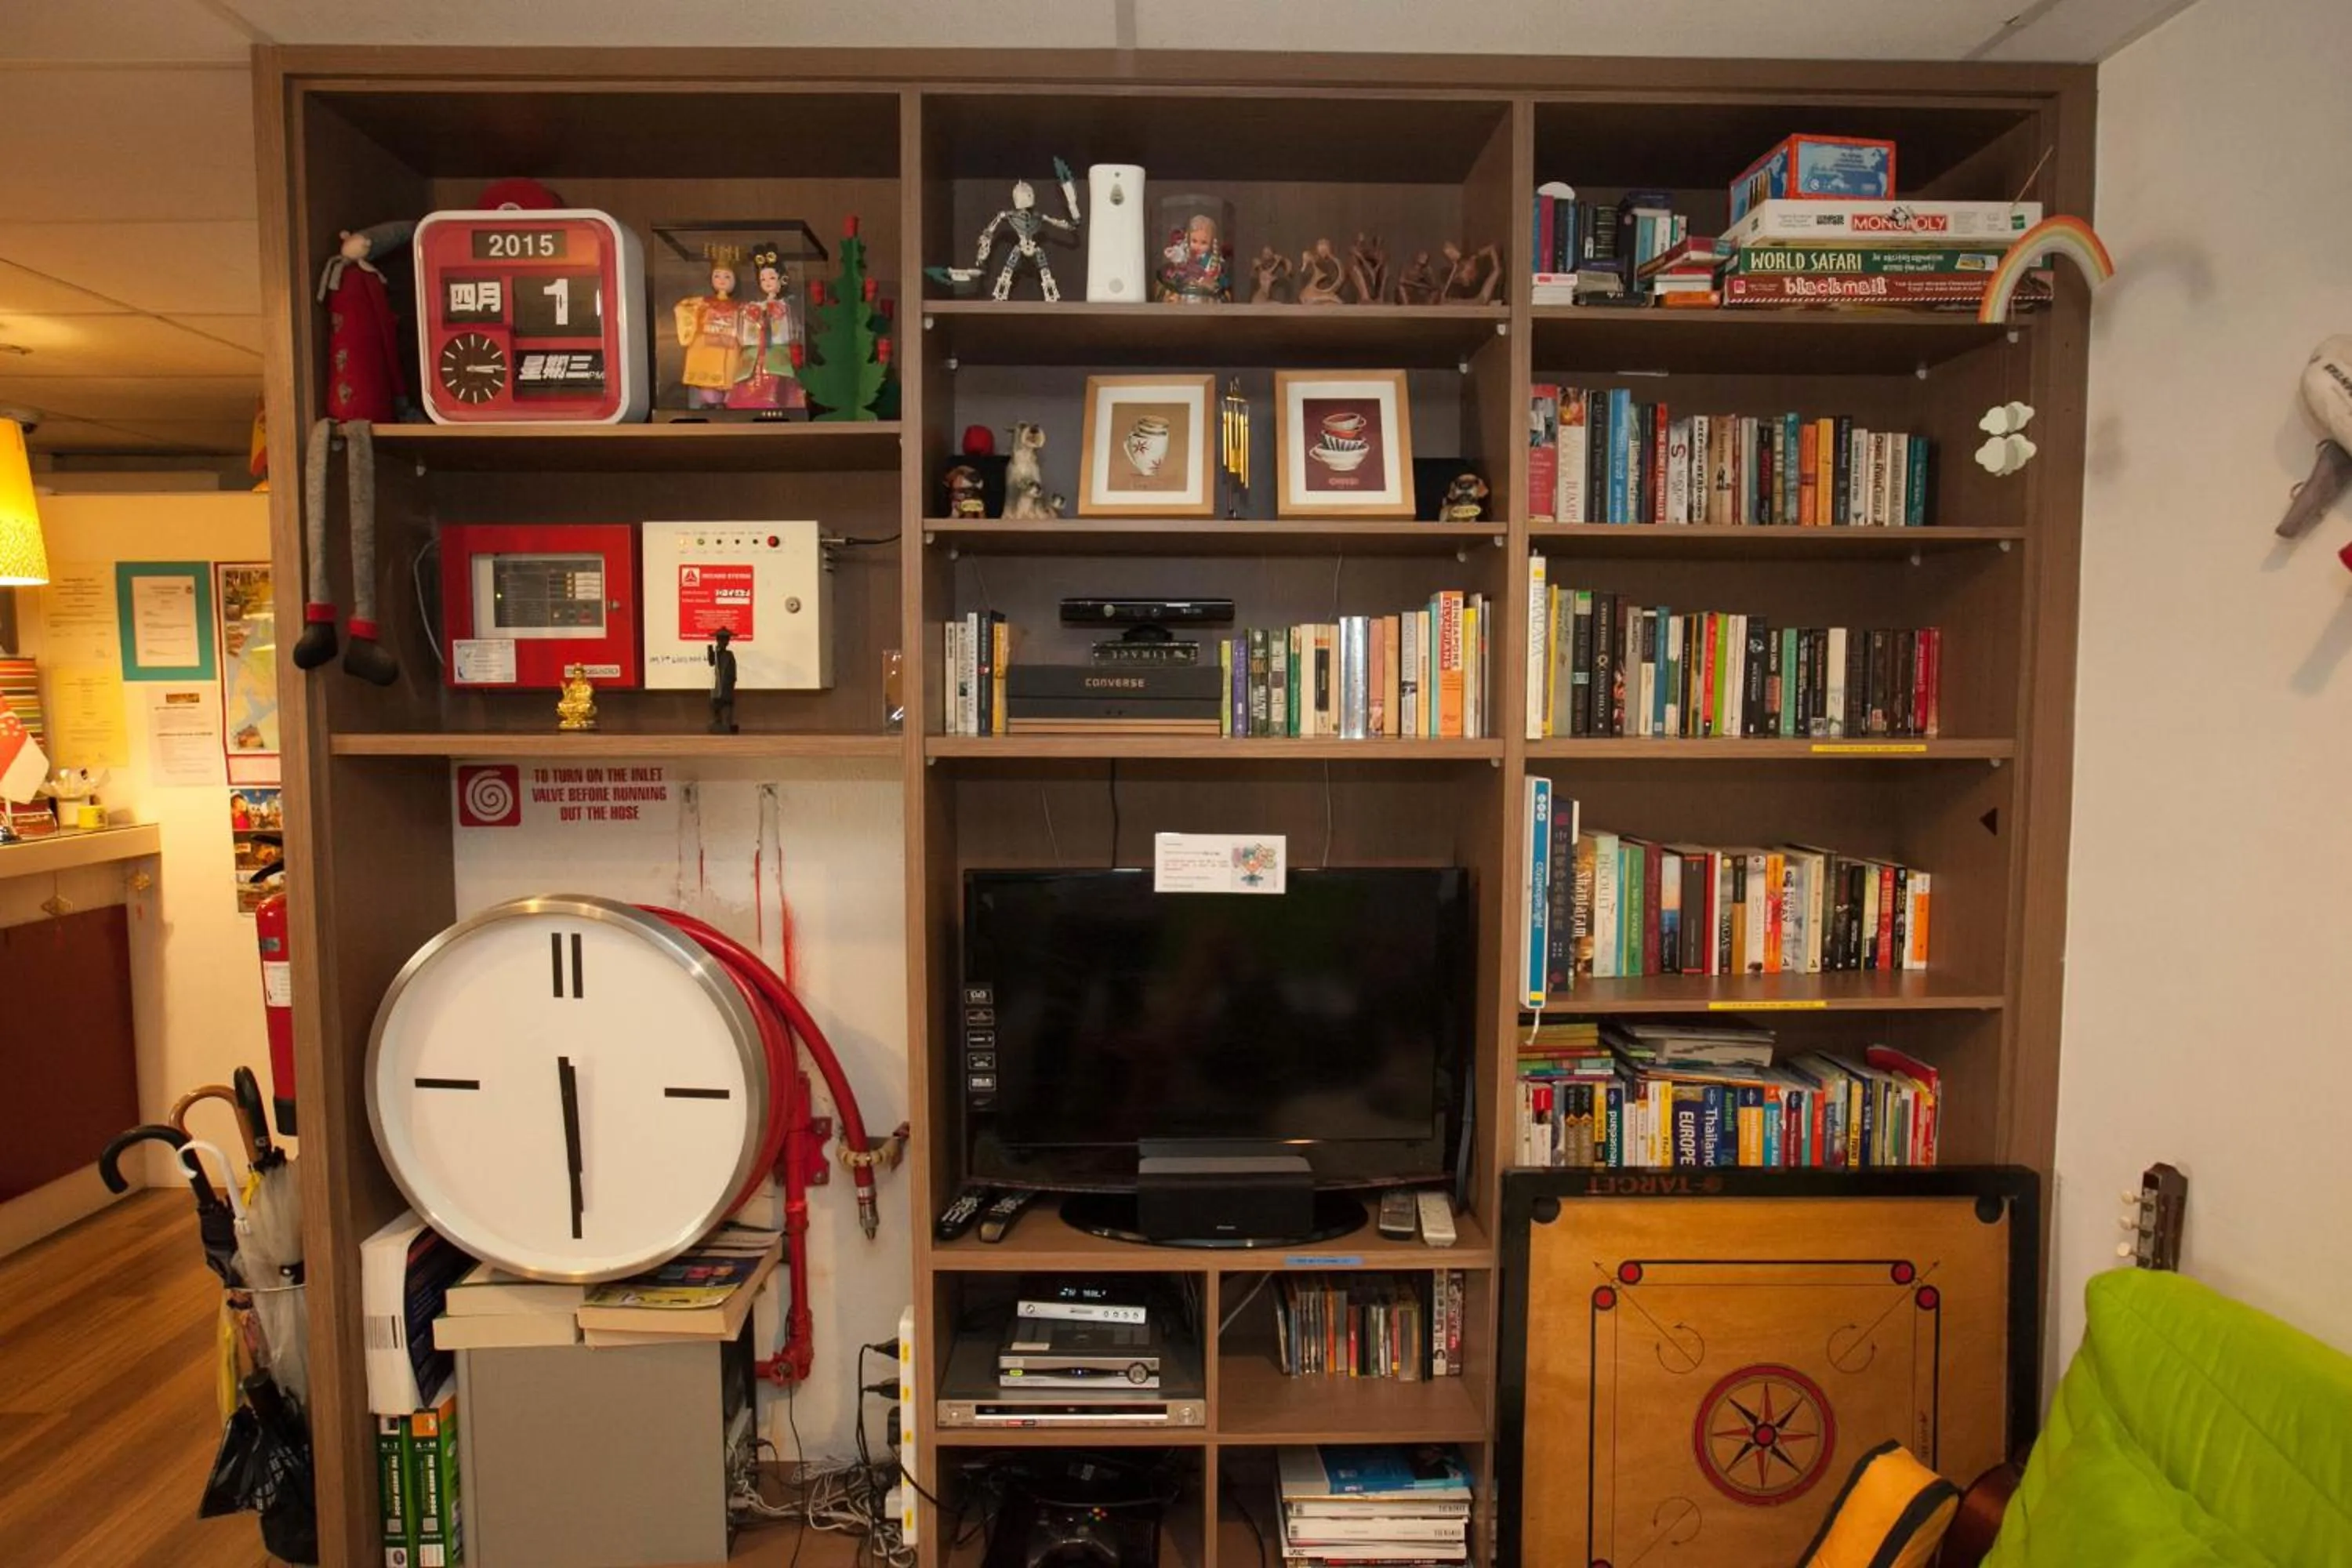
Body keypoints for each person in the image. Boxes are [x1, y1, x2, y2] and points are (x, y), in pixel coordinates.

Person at [726, 243, 804, 414]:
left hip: (776, 352)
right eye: (763, 279)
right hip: (754, 355)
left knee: (776, 382)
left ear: (781, 280)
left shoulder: (785, 307)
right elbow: (745, 335)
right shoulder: (754, 307)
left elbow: (788, 334)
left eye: (772, 278)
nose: (767, 283)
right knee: (748, 383)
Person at [674, 252, 746, 409]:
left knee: (731, 378)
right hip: (707, 348)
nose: (721, 280)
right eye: (717, 276)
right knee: (707, 384)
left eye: (727, 277)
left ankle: (726, 404)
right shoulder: (702, 303)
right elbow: (683, 308)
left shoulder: (739, 307)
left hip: (729, 346)